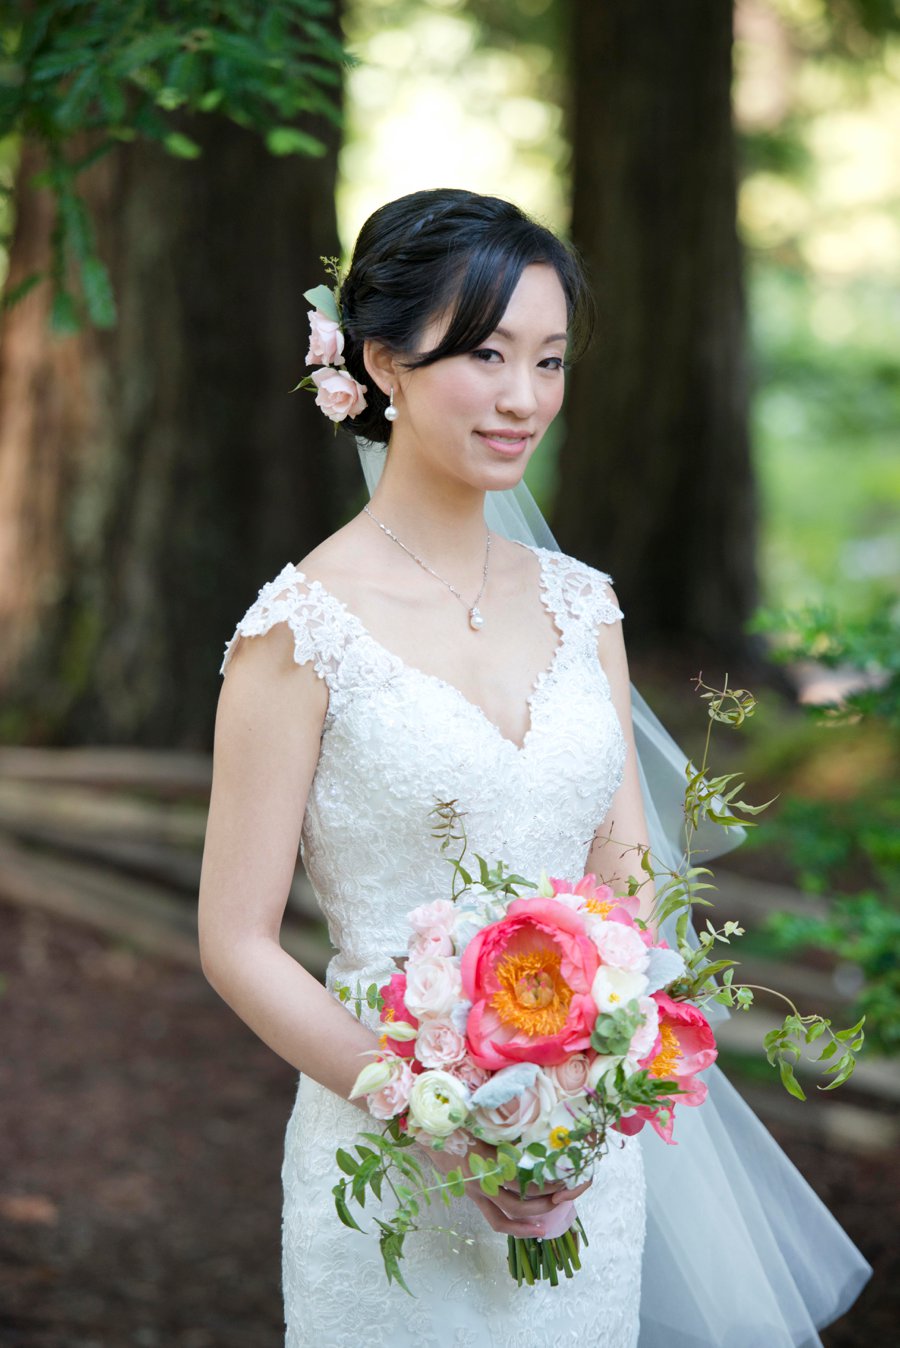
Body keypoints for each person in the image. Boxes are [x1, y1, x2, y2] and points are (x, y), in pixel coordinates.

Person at [198, 189, 870, 1347]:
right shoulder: (298, 631)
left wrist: (584, 1091)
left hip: (579, 1152)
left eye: (549, 361)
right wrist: (439, 1116)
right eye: (486, 354)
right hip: (389, 1171)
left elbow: (629, 881)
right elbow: (236, 941)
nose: (524, 399)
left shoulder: (582, 607)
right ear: (382, 363)